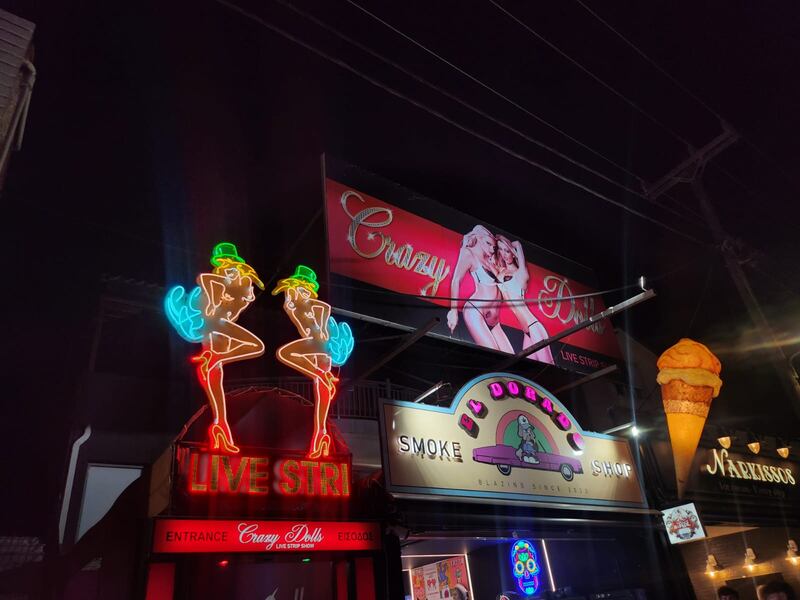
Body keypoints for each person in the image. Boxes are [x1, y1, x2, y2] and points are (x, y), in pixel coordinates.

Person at [192, 243, 266, 453]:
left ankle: (220, 425)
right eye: (225, 265)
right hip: (215, 325)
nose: (250, 297)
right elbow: (207, 280)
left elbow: (246, 294)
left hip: (219, 337)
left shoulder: (237, 283)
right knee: (253, 346)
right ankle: (220, 426)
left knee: (215, 376)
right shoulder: (215, 281)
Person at [272, 265, 339, 458]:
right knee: (321, 390)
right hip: (314, 349)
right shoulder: (295, 305)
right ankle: (321, 435)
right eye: (290, 290)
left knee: (287, 353)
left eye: (294, 289)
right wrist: (290, 300)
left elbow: (323, 333)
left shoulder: (319, 307)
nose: (290, 295)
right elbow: (290, 305)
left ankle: (322, 435)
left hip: (321, 347)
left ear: (306, 289)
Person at [447, 225, 513, 353]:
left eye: (493, 246)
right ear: (478, 237)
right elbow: (456, 280)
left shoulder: (490, 260)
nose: (491, 249)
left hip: (494, 321)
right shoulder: (468, 253)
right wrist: (453, 311)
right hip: (475, 311)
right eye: (488, 243)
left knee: (512, 360)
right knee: (494, 358)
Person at [494, 235, 554, 364]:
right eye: (501, 250)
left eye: (507, 251)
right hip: (526, 331)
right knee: (526, 369)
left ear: (513, 253)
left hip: (534, 327)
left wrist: (505, 241)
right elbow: (508, 302)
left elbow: (517, 243)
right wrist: (500, 280)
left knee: (548, 367)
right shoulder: (502, 273)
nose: (504, 254)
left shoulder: (521, 273)